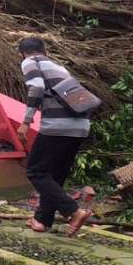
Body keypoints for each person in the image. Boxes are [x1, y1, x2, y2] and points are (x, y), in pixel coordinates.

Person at [15, 37, 93, 236]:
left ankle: (73, 212)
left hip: (58, 126)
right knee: (55, 176)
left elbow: (37, 88)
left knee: (36, 172)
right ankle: (42, 220)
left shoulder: (30, 62)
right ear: (45, 50)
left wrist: (26, 121)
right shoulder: (58, 68)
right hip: (80, 126)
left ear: (22, 53)